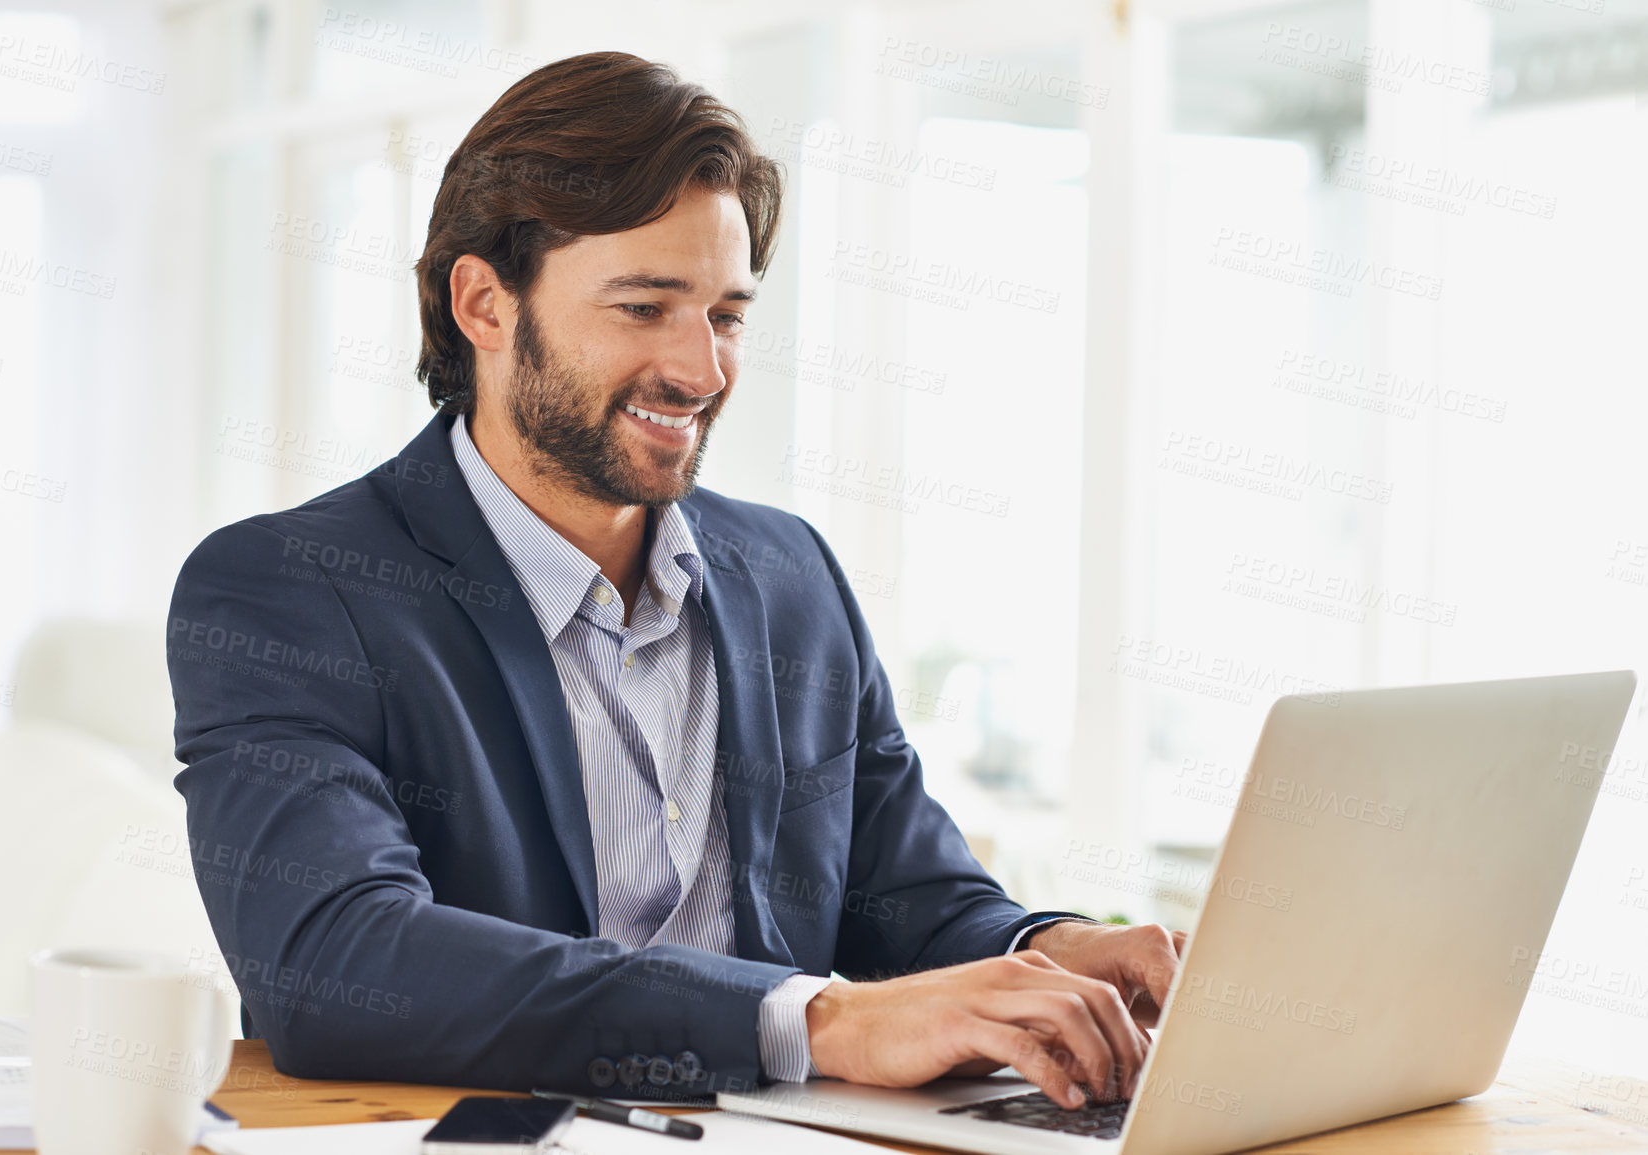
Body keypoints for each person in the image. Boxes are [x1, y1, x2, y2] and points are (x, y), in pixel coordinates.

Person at [166, 49, 1185, 1110]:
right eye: (645, 307)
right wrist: (813, 1020)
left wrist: (1046, 953)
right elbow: (338, 961)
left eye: (727, 315)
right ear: (485, 304)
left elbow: (909, 900)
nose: (702, 371)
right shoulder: (289, 589)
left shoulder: (792, 575)